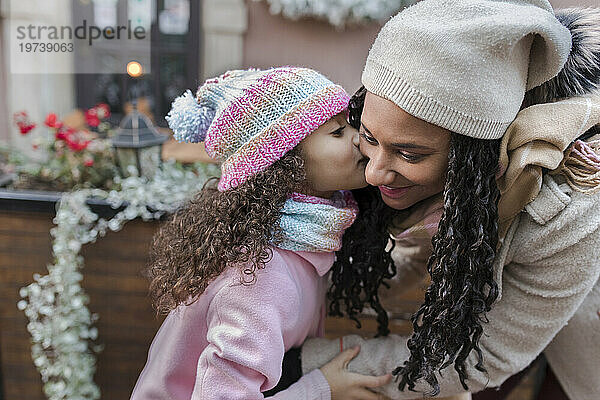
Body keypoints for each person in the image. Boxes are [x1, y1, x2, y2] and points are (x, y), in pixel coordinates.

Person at [281, 2, 600, 400]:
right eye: (369, 137)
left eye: (410, 154)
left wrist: (300, 368)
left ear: (477, 158)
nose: (373, 173)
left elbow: (490, 353)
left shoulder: (568, 206)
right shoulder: (402, 120)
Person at [129, 66, 396, 400]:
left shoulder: (305, 242)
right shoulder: (259, 277)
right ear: (284, 163)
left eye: (350, 124)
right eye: (337, 132)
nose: (358, 137)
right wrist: (323, 389)